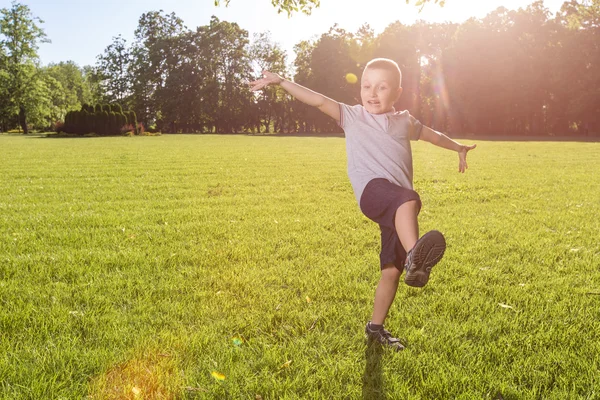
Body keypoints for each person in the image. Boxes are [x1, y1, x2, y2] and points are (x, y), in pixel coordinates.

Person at [249, 58, 476, 351]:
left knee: (390, 271)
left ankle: (375, 327)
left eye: (382, 87)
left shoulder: (404, 121)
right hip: (373, 192)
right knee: (409, 198)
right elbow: (317, 100)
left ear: (397, 92)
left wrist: (458, 147)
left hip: (396, 209)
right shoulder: (353, 116)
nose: (372, 92)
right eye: (367, 86)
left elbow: (433, 136)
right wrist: (280, 81)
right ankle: (415, 256)